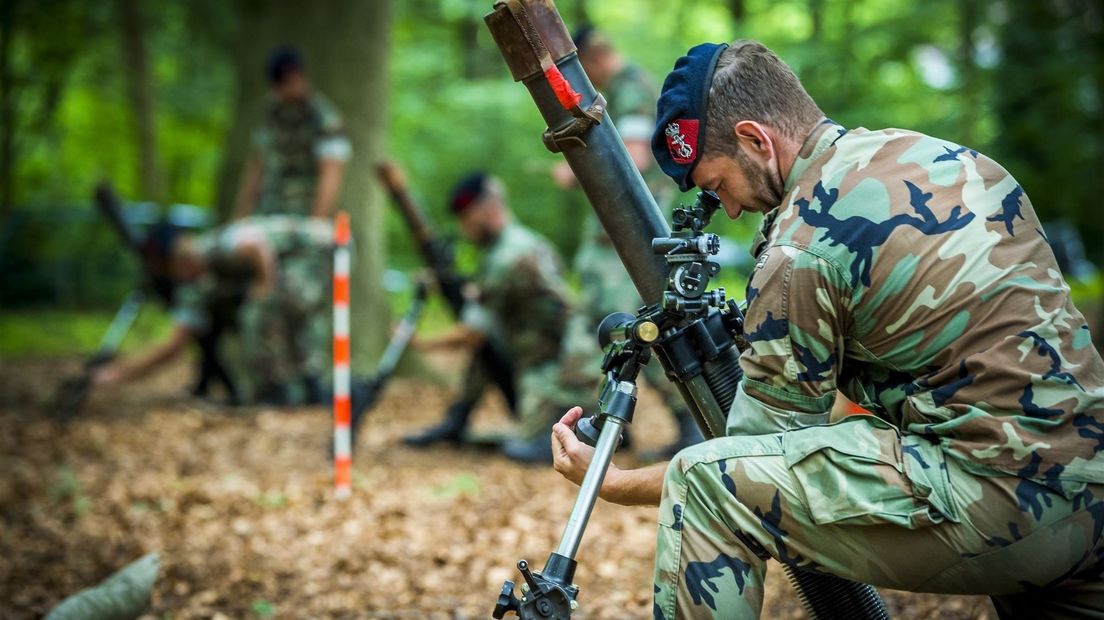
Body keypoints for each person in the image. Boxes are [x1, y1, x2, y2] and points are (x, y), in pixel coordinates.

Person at [550, 40, 1104, 618]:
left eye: (717, 186)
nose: (731, 209)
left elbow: (748, 454)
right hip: (1092, 485)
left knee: (704, 484)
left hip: (1015, 507)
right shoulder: (958, 162)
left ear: (755, 141)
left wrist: (614, 482)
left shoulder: (800, 247)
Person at [553, 26, 703, 459]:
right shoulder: (622, 88)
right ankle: (618, 425)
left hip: (634, 230)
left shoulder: (631, 88)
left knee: (637, 325)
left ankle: (688, 417)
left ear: (594, 58)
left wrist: (575, 171)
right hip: (620, 232)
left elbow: (635, 156)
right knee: (611, 323)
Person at [415, 173, 593, 463]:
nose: (464, 229)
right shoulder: (522, 242)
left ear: (488, 211)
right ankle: (457, 418)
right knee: (488, 347)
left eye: (466, 218)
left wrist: (421, 343)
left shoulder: (506, 255)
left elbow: (472, 332)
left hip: (560, 362)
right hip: (543, 353)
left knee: (528, 447)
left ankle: (588, 426)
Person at [94, 216, 334, 406]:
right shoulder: (194, 288)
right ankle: (302, 387)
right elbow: (174, 344)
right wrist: (119, 374)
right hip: (300, 266)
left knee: (262, 310)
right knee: (267, 308)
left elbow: (256, 247)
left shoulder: (220, 244)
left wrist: (264, 287)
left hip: (322, 249)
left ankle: (282, 389)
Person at [232, 47, 351, 220]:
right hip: (267, 214)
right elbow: (256, 166)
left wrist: (316, 222)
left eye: (293, 78)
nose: (291, 86)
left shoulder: (324, 118)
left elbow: (331, 173)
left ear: (303, 76)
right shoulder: (272, 114)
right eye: (284, 81)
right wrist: (240, 215)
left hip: (303, 217)